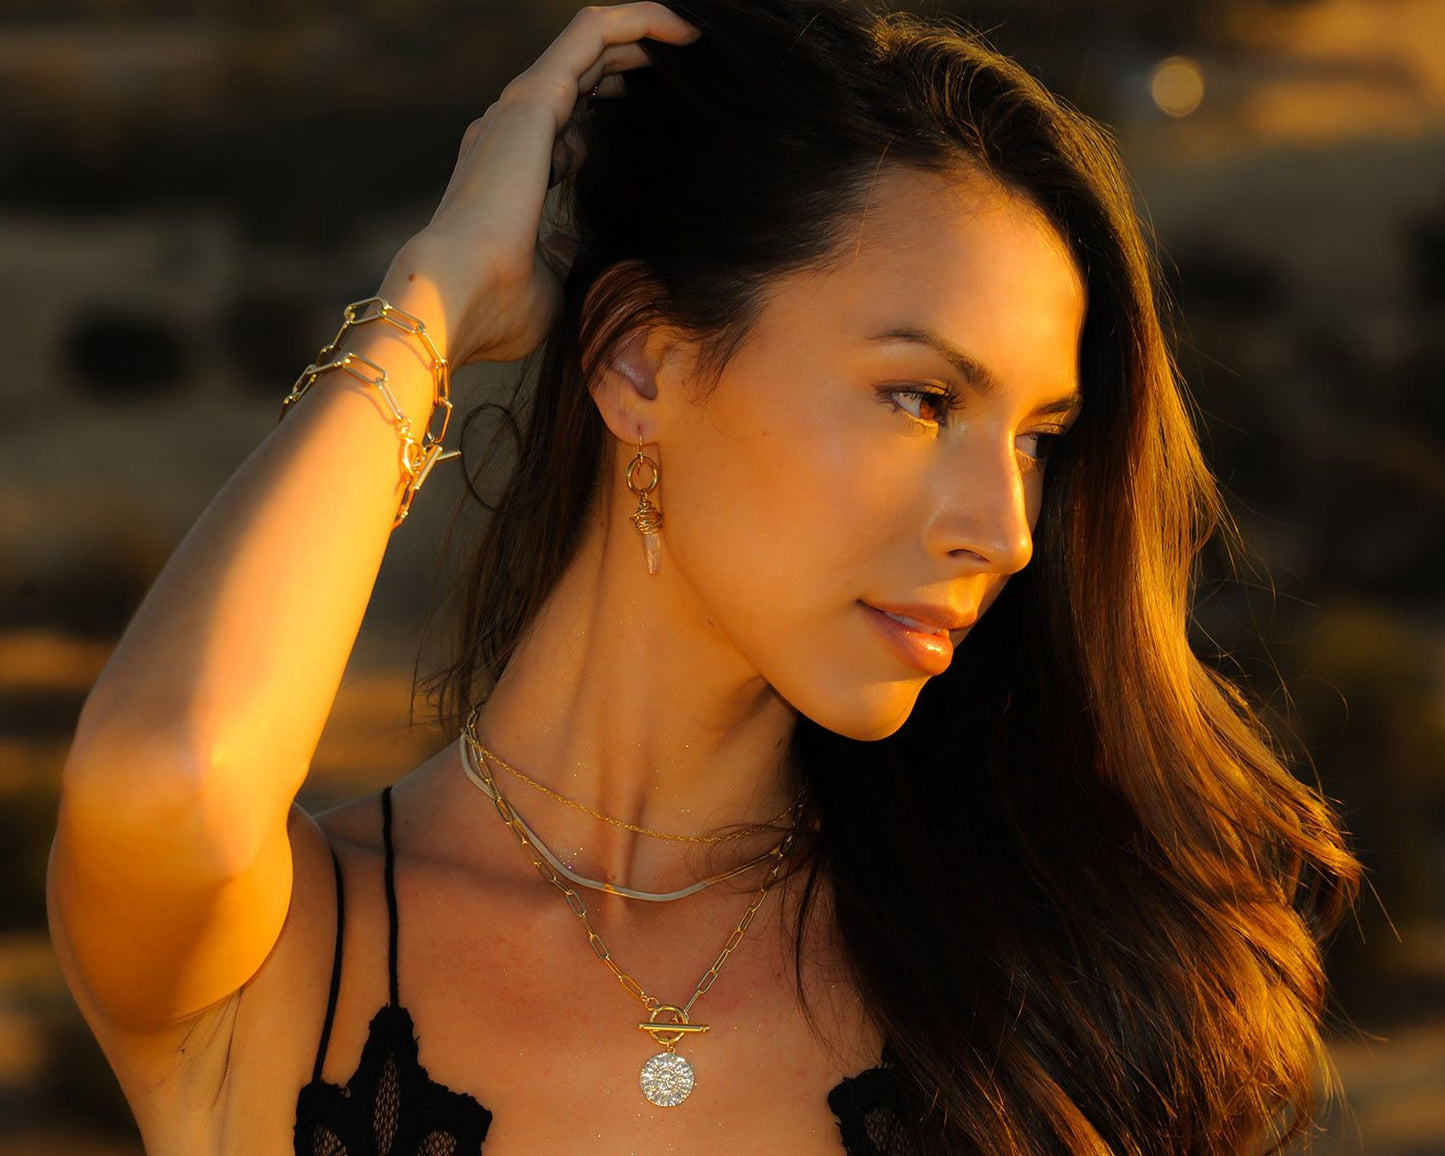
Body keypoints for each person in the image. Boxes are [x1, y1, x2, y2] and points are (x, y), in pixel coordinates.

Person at [46, 1, 1363, 1152]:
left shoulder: (1038, 993)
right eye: (918, 398)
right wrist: (434, 299)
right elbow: (170, 774)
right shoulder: (286, 964)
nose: (1006, 529)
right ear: (638, 365)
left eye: (1035, 441)